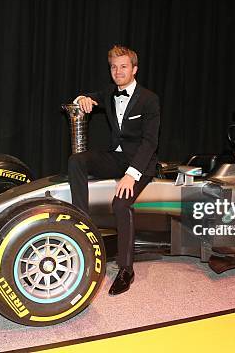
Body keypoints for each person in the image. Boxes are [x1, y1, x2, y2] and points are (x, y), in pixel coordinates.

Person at [68, 45, 160, 295]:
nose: (118, 71)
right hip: (115, 157)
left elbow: (150, 143)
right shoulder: (109, 93)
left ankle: (126, 269)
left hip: (141, 163)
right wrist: (82, 99)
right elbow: (85, 97)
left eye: (123, 66)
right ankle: (82, 225)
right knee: (77, 161)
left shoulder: (149, 99)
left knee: (120, 205)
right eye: (113, 67)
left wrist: (131, 174)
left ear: (134, 69)